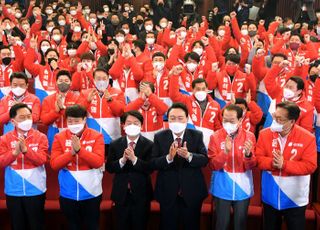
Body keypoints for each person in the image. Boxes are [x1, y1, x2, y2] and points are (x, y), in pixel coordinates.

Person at [256, 101, 317, 230]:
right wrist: (272, 163)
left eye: (280, 119)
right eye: (275, 117)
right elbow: (259, 159)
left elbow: (310, 166)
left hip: (294, 198)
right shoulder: (264, 134)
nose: (276, 121)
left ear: (292, 121)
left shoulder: (307, 138)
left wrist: (285, 165)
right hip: (270, 195)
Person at [151, 103, 208, 230]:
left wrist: (189, 156)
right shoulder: (159, 137)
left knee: (192, 225)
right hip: (168, 192)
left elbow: (204, 160)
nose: (176, 121)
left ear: (187, 119)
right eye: (172, 118)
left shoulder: (196, 135)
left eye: (180, 118)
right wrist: (168, 158)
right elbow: (153, 163)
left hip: (192, 191)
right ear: (168, 119)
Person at [50, 105, 105, 230]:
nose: (73, 124)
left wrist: (80, 150)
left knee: (92, 226)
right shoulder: (59, 137)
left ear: (84, 119)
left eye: (76, 121)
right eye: (70, 121)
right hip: (68, 193)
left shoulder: (96, 136)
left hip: (91, 193)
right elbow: (54, 164)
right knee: (73, 226)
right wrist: (71, 153)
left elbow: (98, 162)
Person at [0, 103, 48, 230]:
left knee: (36, 224)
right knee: (17, 225)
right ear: (12, 121)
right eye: (22, 117)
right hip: (13, 190)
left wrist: (27, 151)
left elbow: (42, 159)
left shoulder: (41, 137)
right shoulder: (4, 139)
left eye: (28, 116)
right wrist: (14, 153)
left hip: (36, 189)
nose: (27, 120)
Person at [208, 104, 256, 230]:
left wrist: (248, 155)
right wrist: (225, 153)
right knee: (221, 224)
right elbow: (213, 165)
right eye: (225, 120)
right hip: (222, 187)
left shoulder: (250, 136)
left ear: (240, 120)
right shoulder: (215, 136)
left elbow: (252, 165)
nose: (228, 123)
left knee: (240, 225)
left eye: (231, 121)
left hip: (243, 188)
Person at [106, 110, 153, 230]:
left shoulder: (149, 145)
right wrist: (122, 161)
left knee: (140, 225)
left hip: (142, 194)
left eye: (136, 123)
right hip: (121, 193)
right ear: (123, 125)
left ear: (141, 126)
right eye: (129, 123)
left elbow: (150, 168)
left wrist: (134, 159)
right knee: (121, 225)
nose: (132, 126)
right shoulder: (115, 144)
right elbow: (110, 168)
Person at [169, 73, 222, 148]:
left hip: (208, 142)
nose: (201, 91)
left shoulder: (215, 105)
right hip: (190, 139)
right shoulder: (186, 100)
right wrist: (175, 75)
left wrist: (218, 142)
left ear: (207, 89)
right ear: (192, 90)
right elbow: (174, 95)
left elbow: (218, 126)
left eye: (203, 89)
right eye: (198, 89)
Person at [40, 70, 80, 149]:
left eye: (66, 81)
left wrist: (62, 109)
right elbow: (44, 121)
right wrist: (55, 112)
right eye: (60, 81)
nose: (63, 83)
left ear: (71, 83)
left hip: (72, 132)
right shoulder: (48, 99)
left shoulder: (77, 98)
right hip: (53, 131)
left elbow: (79, 117)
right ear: (56, 83)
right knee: (54, 156)